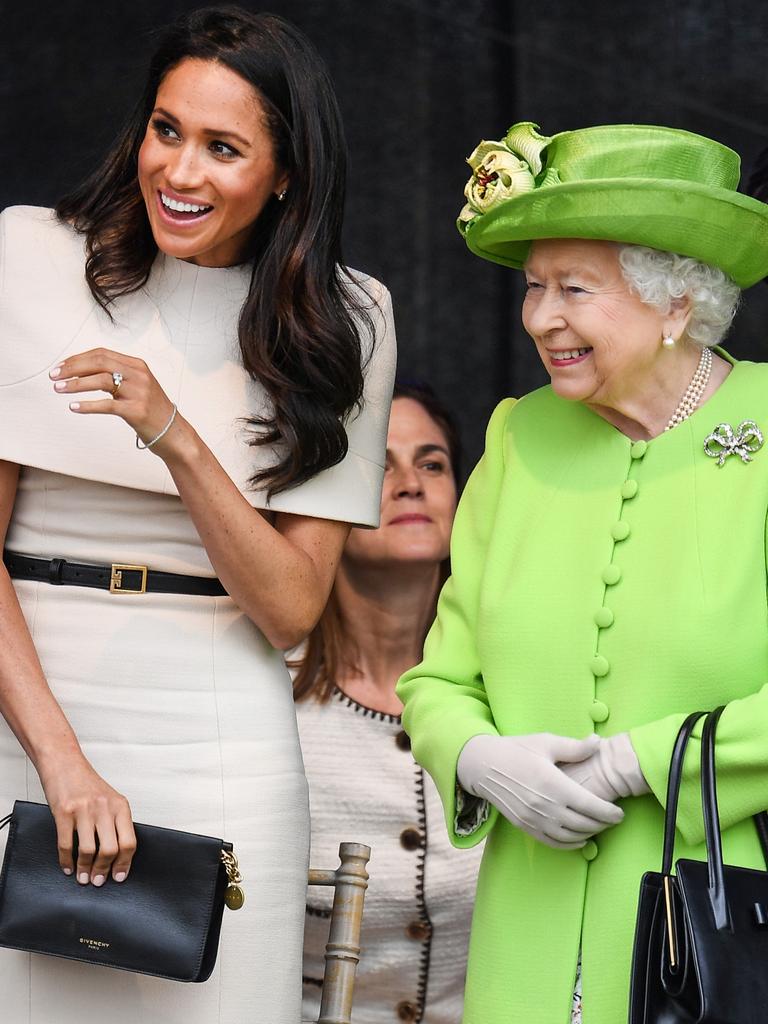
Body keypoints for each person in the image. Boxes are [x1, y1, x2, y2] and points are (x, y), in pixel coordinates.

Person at [0, 7, 395, 1023]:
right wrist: (62, 764)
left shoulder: (349, 320)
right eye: (166, 130)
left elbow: (294, 612)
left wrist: (174, 433)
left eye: (223, 148)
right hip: (33, 711)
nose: (180, 172)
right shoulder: (29, 254)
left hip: (221, 729)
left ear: (286, 174)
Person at [397, 121, 768, 1024]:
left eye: (574, 288)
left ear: (676, 301)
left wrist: (636, 763)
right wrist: (480, 759)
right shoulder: (519, 438)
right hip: (523, 942)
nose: (540, 317)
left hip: (710, 938)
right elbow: (440, 677)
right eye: (533, 288)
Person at [293, 381, 483, 1024]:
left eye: (432, 463)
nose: (411, 483)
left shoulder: (512, 696)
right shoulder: (270, 702)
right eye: (379, 465)